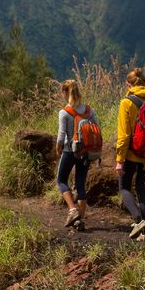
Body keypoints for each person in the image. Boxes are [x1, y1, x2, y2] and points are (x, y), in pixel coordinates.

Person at [115, 67, 145, 240]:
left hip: (132, 153)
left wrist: (119, 160)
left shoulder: (127, 102)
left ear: (128, 85)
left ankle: (138, 220)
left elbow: (123, 135)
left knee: (124, 186)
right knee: (141, 187)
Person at [55, 79, 93, 232]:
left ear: (66, 93)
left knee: (61, 180)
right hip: (86, 152)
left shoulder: (64, 112)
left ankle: (72, 210)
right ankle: (80, 221)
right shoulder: (89, 110)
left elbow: (61, 135)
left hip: (69, 151)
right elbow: (96, 128)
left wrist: (58, 148)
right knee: (80, 184)